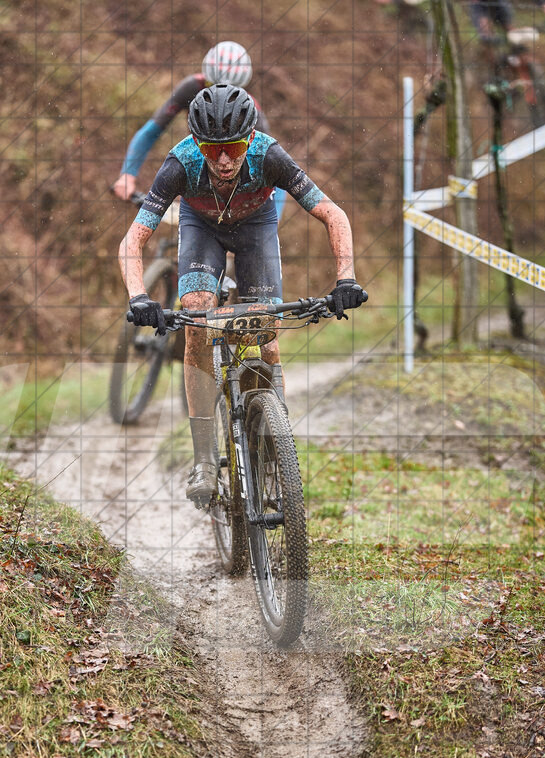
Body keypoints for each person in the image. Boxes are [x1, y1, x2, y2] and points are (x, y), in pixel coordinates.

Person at [118, 84, 366, 506]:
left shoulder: (269, 155)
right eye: (213, 151)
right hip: (202, 229)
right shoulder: (180, 163)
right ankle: (203, 457)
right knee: (196, 317)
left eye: (233, 146)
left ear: (249, 138)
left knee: (263, 330)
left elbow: (332, 213)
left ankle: (274, 437)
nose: (225, 159)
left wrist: (346, 278)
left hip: (256, 229)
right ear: (197, 143)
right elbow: (132, 240)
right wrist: (139, 296)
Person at [112, 41, 285, 219]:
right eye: (213, 86)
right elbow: (151, 131)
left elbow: (277, 169)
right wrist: (128, 175)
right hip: (198, 175)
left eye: (231, 93)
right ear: (205, 78)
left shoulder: (251, 109)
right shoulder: (191, 88)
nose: (219, 97)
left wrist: (272, 222)